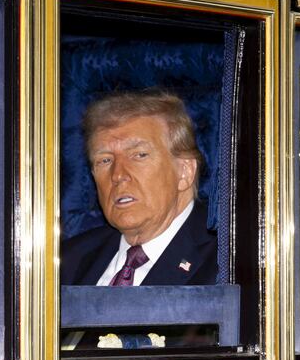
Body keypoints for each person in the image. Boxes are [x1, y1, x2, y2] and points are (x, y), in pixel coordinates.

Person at [61, 91, 217, 286]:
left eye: (139, 155)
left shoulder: (228, 262)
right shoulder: (66, 263)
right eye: (105, 160)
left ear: (184, 172)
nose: (118, 175)